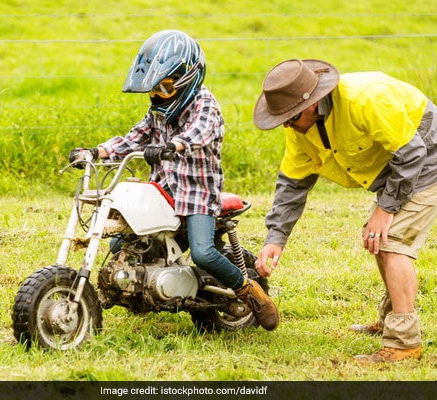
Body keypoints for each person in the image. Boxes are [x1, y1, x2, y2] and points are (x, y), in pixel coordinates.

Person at [252, 59, 437, 361]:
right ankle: (389, 322)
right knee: (378, 239)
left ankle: (404, 344)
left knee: (392, 242)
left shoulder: (365, 100)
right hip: (400, 165)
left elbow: (413, 153)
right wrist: (275, 238)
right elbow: (293, 184)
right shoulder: (299, 128)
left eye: (289, 116)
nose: (285, 124)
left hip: (433, 157)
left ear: (312, 104)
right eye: (281, 118)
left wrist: (386, 207)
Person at [69, 30, 279, 331]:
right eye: (153, 90)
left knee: (204, 252)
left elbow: (198, 133)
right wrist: (97, 151)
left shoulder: (205, 104)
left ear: (185, 80)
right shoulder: (158, 111)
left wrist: (173, 145)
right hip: (164, 192)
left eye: (164, 88)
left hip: (198, 194)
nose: (156, 96)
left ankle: (250, 291)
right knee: (121, 243)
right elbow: (135, 137)